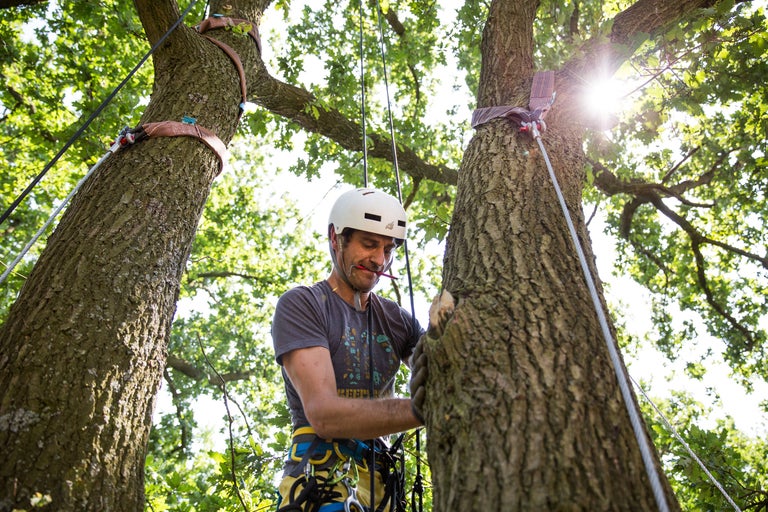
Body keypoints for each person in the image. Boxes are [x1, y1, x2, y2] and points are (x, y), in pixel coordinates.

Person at [272, 188, 424, 512]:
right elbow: (324, 414)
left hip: (382, 486)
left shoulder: (397, 320)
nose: (380, 260)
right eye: (369, 244)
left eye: (388, 248)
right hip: (320, 483)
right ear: (336, 238)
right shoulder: (304, 305)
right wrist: (426, 408)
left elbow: (442, 370)